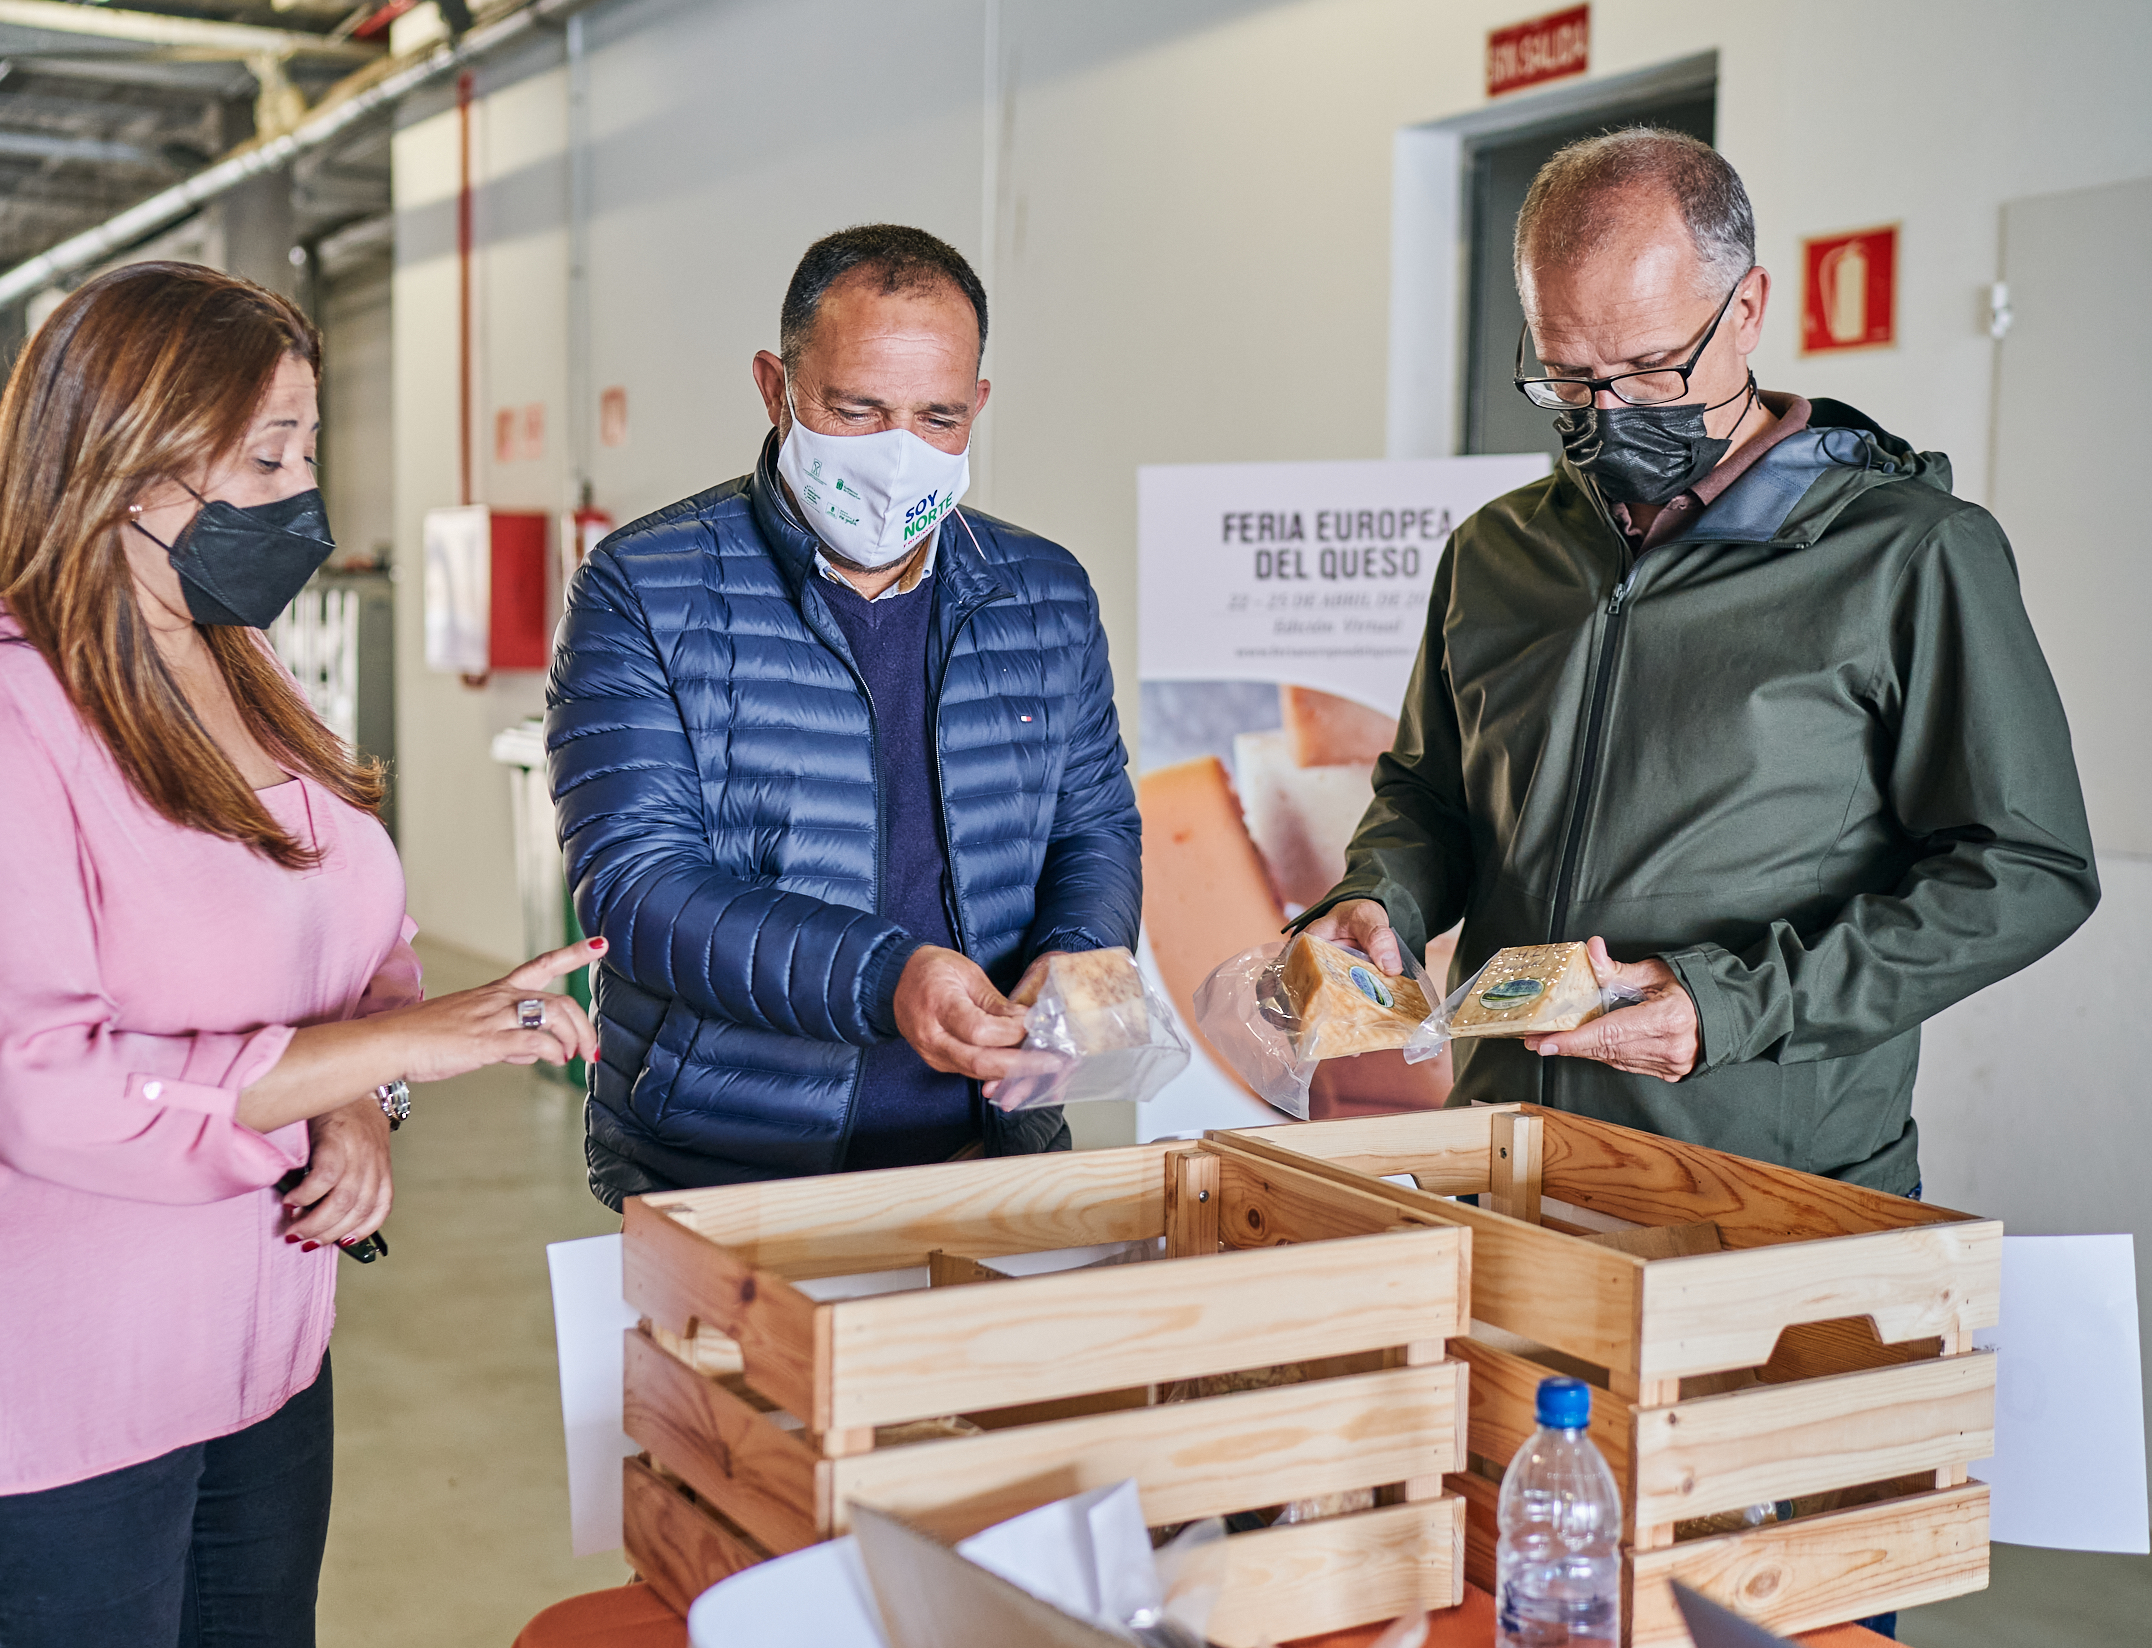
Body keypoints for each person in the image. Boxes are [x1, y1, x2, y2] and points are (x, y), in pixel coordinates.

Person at [0, 261, 599, 1648]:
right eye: (264, 453)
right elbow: (42, 1085)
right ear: (121, 451)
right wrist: (415, 1048)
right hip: (45, 1380)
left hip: (253, 1347)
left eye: (307, 448)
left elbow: (364, 945)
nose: (301, 493)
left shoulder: (232, 658)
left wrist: (364, 1099)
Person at [1307, 129, 2097, 1201]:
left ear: (1750, 308)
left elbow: (2025, 869)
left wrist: (1730, 1004)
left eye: (1648, 369)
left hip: (1766, 1185)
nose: (1610, 415)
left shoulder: (1909, 554)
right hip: (1500, 1166)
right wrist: (1378, 897)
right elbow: (1430, 794)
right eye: (1569, 379)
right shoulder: (1495, 554)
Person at [544, 224, 1141, 1206]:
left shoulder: (1044, 593)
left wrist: (1080, 950)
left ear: (979, 404)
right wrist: (885, 977)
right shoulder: (648, 588)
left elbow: (1093, 825)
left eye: (938, 417)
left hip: (991, 1151)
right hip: (733, 1164)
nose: (897, 456)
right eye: (856, 409)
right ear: (775, 386)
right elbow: (638, 886)